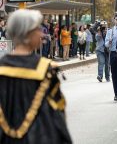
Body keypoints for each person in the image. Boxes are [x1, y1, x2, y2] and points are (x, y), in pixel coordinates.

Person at [0, 9, 72, 143]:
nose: (41, 34)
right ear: (27, 33)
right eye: (37, 29)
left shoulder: (2, 68)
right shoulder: (46, 69)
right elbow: (57, 114)